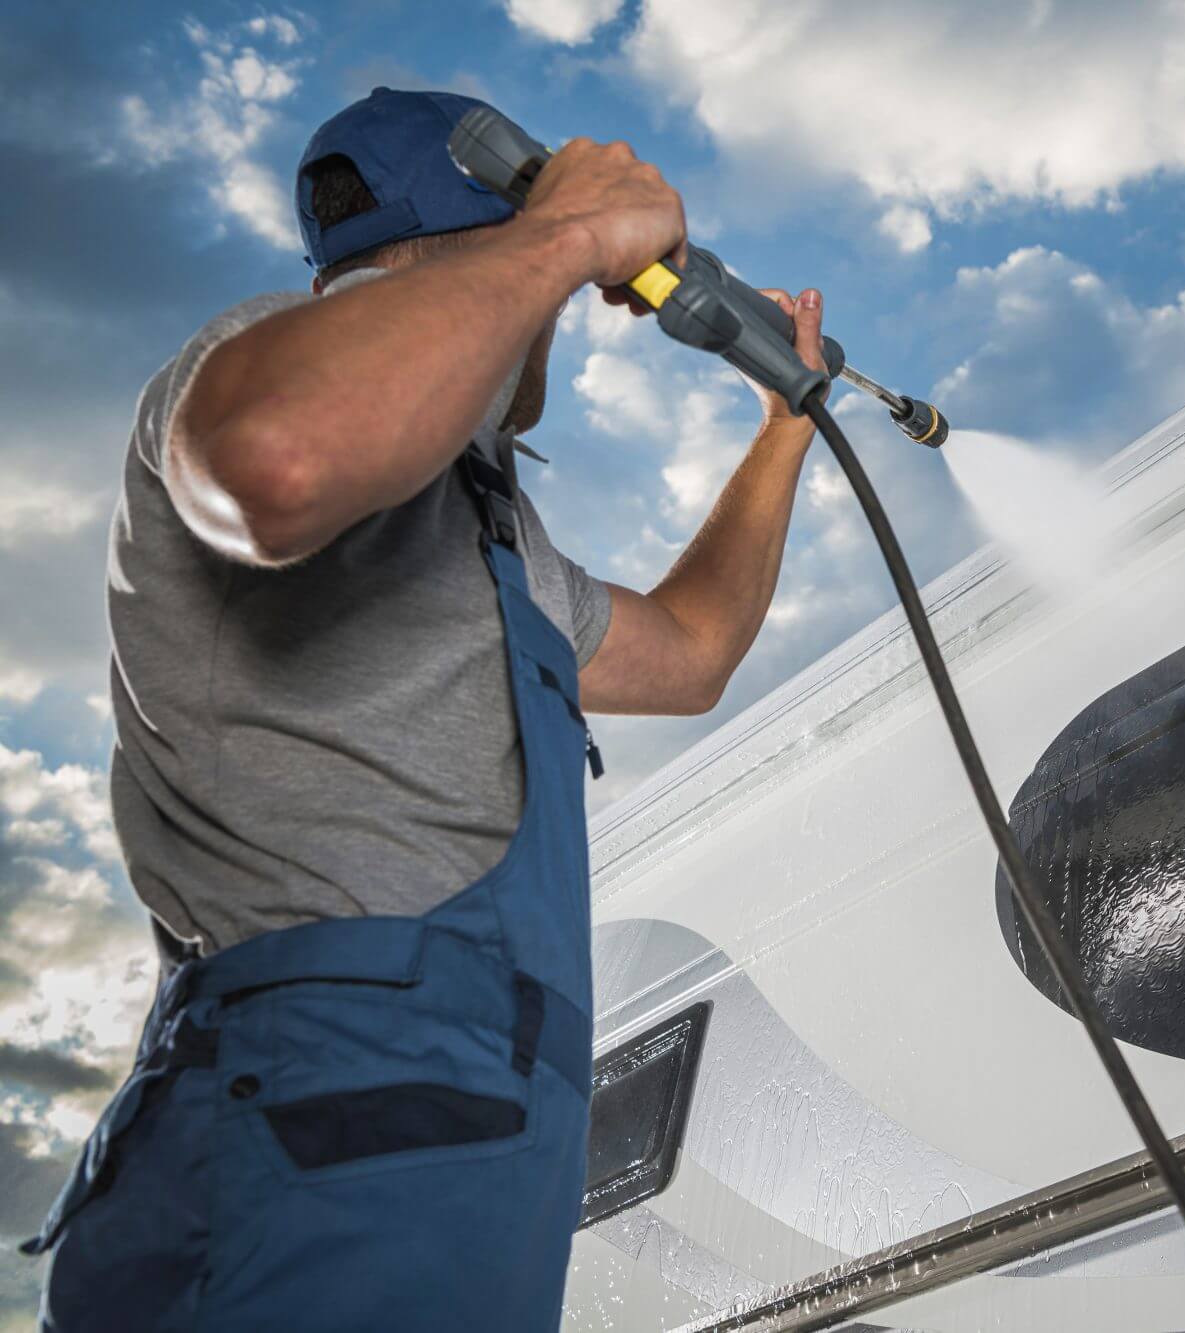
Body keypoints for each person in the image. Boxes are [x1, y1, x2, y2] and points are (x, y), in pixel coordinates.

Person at [19, 87, 824, 1331]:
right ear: (506, 217)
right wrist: (564, 238)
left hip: (473, 1163)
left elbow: (694, 651)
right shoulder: (259, 358)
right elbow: (284, 454)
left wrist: (782, 431)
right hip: (307, 1144)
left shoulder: (490, 529)